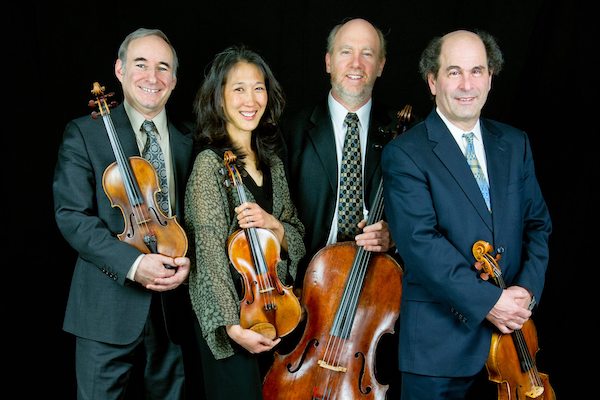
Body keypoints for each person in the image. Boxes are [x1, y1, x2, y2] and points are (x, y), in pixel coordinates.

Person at [381, 29, 552, 399]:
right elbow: (419, 245)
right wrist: (490, 302)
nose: (466, 84)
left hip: (512, 346)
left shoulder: (515, 142)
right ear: (432, 81)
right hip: (439, 350)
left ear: (490, 77)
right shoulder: (405, 154)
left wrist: (525, 291)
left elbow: (538, 225)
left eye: (477, 71)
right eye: (454, 71)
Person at [53, 28, 199, 399]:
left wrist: (188, 259)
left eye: (163, 67)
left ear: (174, 79)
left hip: (175, 312)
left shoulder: (191, 139)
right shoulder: (85, 133)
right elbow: (72, 215)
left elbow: (198, 219)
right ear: (119, 70)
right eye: (141, 64)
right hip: (106, 307)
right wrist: (134, 264)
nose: (153, 77)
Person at [280, 17, 404, 396]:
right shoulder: (291, 130)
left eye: (367, 54)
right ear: (328, 61)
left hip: (374, 295)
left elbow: (424, 213)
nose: (356, 63)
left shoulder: (404, 136)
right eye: (346, 52)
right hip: (308, 297)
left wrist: (393, 235)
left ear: (381, 65)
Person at [184, 45, 306, 399]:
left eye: (258, 87)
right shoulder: (209, 166)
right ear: (219, 98)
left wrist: (275, 226)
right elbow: (207, 259)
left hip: (278, 316)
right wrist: (233, 329)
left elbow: (296, 232)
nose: (250, 99)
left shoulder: (274, 164)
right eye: (238, 88)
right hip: (236, 321)